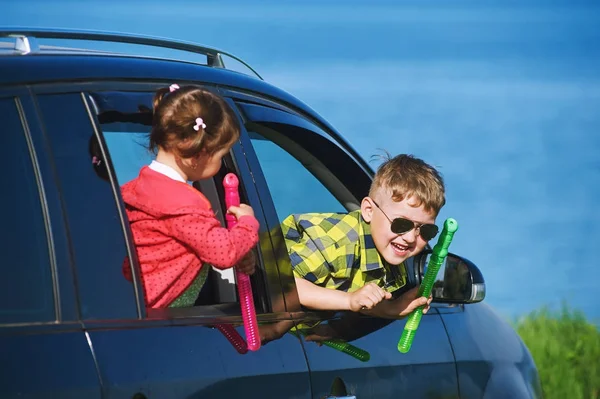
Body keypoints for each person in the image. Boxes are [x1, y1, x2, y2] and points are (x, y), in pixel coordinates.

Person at [121, 84, 259, 308]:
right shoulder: (183, 204)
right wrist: (247, 224)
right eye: (220, 156)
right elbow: (223, 253)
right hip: (158, 316)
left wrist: (240, 251)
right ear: (199, 154)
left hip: (132, 308)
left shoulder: (133, 191)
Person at [282, 153, 446, 320]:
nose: (411, 238)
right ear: (369, 211)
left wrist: (392, 308)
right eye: (401, 225)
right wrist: (348, 300)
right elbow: (279, 285)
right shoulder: (335, 242)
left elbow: (363, 301)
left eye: (426, 231)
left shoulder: (392, 259)